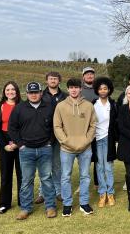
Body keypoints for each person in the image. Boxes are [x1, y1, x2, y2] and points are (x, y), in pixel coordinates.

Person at [8, 82, 57, 220]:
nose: (34, 95)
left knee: (46, 179)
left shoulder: (49, 107)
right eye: (31, 92)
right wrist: (20, 144)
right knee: (27, 180)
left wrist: (50, 142)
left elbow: (56, 126)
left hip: (45, 149)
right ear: (27, 94)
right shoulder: (19, 108)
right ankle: (26, 208)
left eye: (36, 92)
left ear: (41, 93)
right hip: (26, 150)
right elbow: (12, 128)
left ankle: (50, 207)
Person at [54, 78, 97, 217]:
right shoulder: (60, 106)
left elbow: (93, 125)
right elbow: (57, 126)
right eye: (71, 87)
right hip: (67, 149)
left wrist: (86, 140)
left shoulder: (89, 106)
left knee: (85, 176)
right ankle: (67, 204)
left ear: (80, 89)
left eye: (76, 87)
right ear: (68, 89)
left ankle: (84, 203)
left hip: (85, 148)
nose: (74, 90)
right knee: (65, 176)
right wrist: (66, 141)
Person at [36, 71, 66, 204]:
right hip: (44, 136)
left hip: (59, 136)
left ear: (59, 81)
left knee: (57, 165)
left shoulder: (65, 96)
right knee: (44, 166)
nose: (53, 81)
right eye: (50, 79)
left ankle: (58, 191)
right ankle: (42, 192)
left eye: (55, 79)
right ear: (46, 81)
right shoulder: (41, 95)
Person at [0, 81, 22, 214]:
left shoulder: (22, 106)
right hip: (4, 144)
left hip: (20, 143)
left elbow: (25, 127)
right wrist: (4, 145)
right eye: (8, 89)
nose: (10, 92)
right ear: (4, 91)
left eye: (13, 89)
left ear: (17, 91)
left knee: (22, 175)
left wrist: (17, 143)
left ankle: (24, 202)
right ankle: (4, 203)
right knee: (6, 175)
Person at [91, 77, 118, 208]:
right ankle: (102, 193)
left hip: (108, 138)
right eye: (100, 88)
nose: (102, 91)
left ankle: (110, 193)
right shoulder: (93, 104)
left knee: (108, 167)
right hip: (96, 139)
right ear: (97, 90)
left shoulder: (113, 104)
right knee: (99, 167)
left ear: (109, 90)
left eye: (105, 88)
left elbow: (116, 123)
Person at [80, 66, 99, 190]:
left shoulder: (99, 89)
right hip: (83, 129)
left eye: (91, 74)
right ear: (83, 77)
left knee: (97, 157)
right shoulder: (80, 90)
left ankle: (97, 183)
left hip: (98, 129)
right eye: (87, 74)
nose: (89, 76)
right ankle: (83, 184)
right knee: (84, 158)